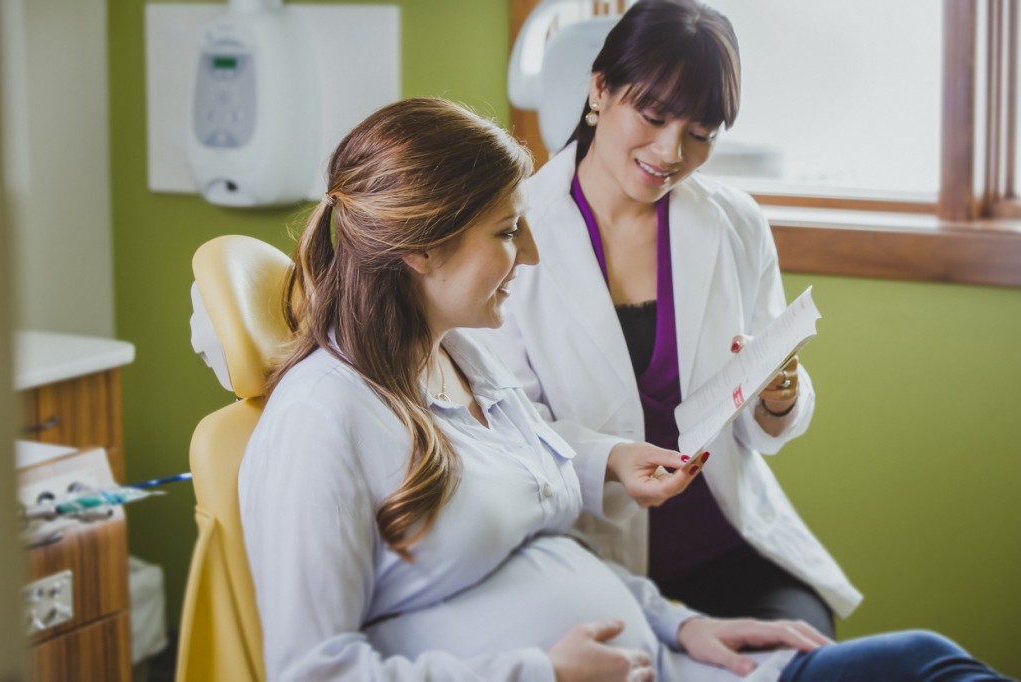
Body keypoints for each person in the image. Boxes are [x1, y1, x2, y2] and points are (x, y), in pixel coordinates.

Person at [238, 97, 1014, 681]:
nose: (533, 252)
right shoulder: (322, 417)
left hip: (674, 666)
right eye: (508, 232)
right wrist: (541, 674)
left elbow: (545, 533)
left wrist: (677, 625)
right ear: (422, 249)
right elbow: (315, 670)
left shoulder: (465, 364)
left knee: (926, 660)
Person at [482, 0, 857, 636]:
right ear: (599, 89)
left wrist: (779, 394)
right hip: (586, 554)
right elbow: (503, 430)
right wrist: (610, 457)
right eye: (653, 116)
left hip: (727, 547)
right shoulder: (510, 233)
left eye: (702, 133)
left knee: (800, 657)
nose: (671, 151)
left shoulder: (735, 223)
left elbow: (763, 419)